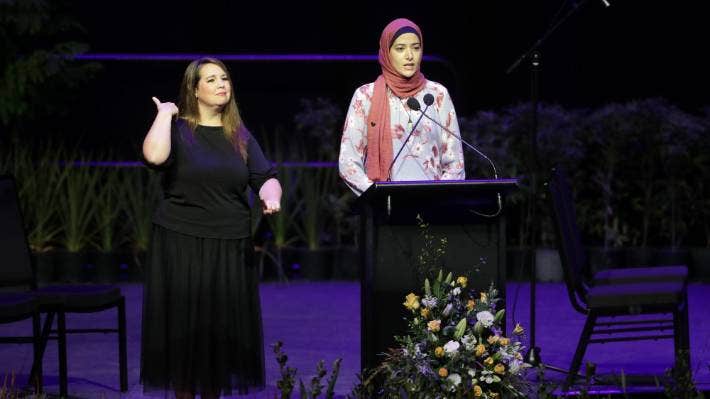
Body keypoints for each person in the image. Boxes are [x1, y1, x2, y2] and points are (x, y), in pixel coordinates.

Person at [140, 57, 281, 399]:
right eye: (212, 79)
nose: (222, 84)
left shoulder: (240, 136)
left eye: (225, 78)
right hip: (181, 243)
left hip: (229, 245)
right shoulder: (177, 130)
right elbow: (155, 158)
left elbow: (265, 176)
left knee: (219, 339)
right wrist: (165, 114)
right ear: (195, 89)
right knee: (186, 337)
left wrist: (270, 195)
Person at [338, 18, 465, 196]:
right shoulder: (366, 96)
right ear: (386, 52)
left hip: (433, 209)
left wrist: (438, 198)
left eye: (415, 47)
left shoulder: (437, 94)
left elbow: (455, 163)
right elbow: (348, 163)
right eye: (400, 48)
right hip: (384, 208)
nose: (409, 56)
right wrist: (378, 197)